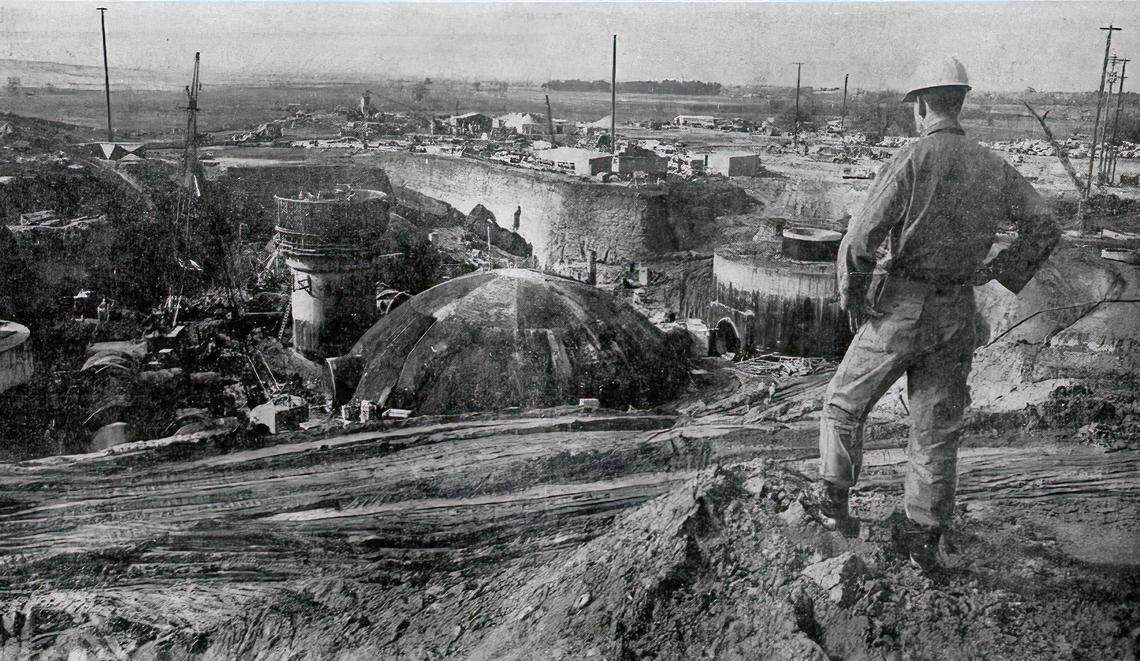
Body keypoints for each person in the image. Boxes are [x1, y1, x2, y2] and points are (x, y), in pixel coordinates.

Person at [816, 57, 1060, 572]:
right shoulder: (992, 165)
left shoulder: (911, 159)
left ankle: (834, 509)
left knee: (844, 402)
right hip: (957, 311)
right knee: (936, 426)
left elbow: (859, 242)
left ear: (922, 104)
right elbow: (1045, 225)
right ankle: (923, 537)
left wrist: (854, 300)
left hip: (903, 304)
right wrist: (998, 269)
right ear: (962, 101)